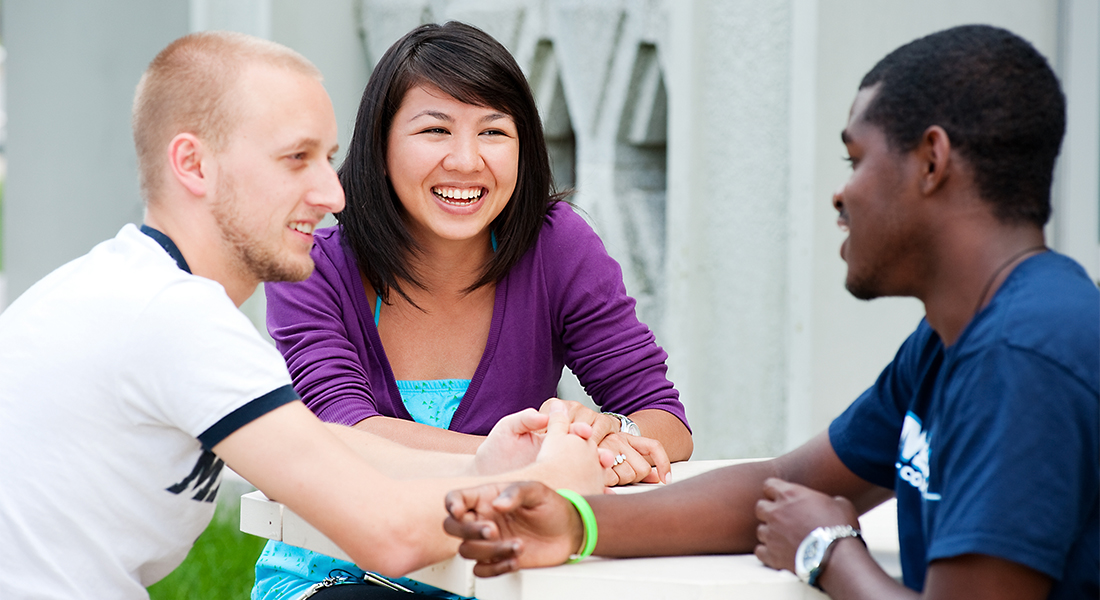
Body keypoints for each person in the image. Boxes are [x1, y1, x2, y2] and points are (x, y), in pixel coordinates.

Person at [443, 24, 1099, 600]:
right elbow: (783, 483)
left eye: (856, 158)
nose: (840, 193)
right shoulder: (950, 342)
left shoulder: (1025, 355)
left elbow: (807, 520)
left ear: (932, 160)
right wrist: (576, 522)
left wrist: (827, 552)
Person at [0, 31, 611, 600]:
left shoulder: (135, 291)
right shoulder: (170, 318)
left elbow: (324, 444)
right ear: (193, 165)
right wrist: (556, 482)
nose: (333, 194)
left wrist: (486, 463)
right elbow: (389, 534)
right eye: (295, 159)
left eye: (328, 158)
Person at [253, 21, 694, 599]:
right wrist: (546, 465)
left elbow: (663, 418)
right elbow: (344, 432)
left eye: (493, 131)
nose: (466, 160)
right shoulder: (312, 262)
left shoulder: (556, 245)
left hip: (504, 575)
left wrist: (613, 436)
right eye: (435, 130)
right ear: (380, 145)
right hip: (343, 573)